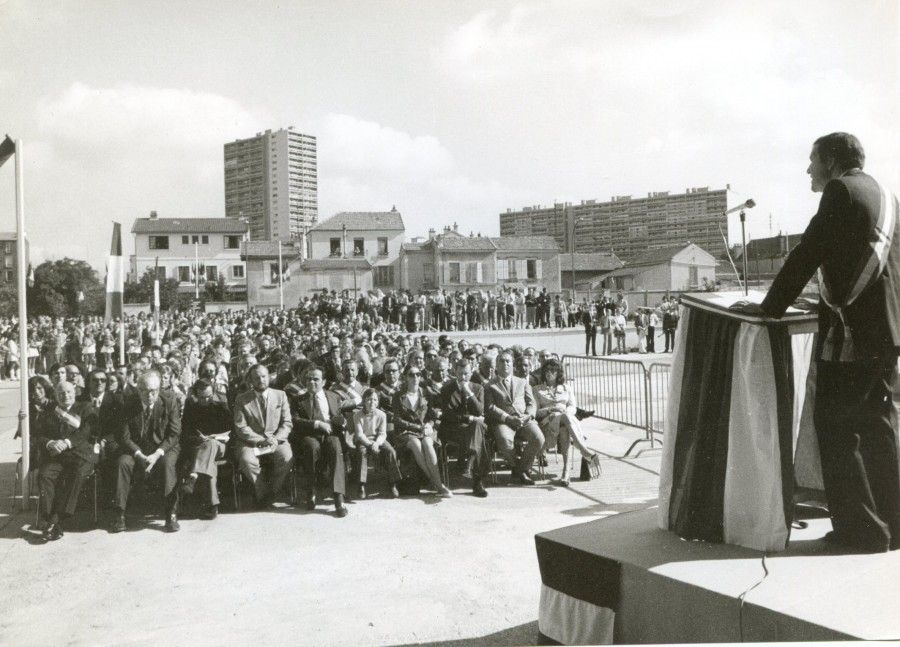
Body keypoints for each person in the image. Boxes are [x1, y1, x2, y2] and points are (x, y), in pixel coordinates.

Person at [735, 132, 899, 552]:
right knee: (879, 430)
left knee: (839, 432)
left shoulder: (841, 191)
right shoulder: (886, 195)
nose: (809, 169)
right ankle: (893, 526)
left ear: (831, 160)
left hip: (853, 337)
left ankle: (861, 532)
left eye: (813, 161)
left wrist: (771, 307)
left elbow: (808, 252)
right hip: (887, 335)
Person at [112, 370, 182, 533]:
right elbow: (124, 436)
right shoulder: (128, 403)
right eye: (143, 390)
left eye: (153, 391)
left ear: (159, 389)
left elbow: (174, 433)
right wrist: (139, 454)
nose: (148, 395)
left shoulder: (169, 400)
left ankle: (171, 514)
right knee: (123, 463)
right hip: (137, 449)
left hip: (164, 447)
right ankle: (120, 514)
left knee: (167, 464)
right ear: (137, 389)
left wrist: (157, 454)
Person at [35, 381, 97, 540]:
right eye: (61, 393)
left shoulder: (85, 407)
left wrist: (66, 443)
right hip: (57, 456)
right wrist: (50, 443)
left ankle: (53, 520)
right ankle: (50, 520)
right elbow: (39, 435)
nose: (65, 396)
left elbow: (86, 432)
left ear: (75, 392)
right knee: (44, 475)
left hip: (80, 455)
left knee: (75, 475)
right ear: (55, 395)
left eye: (69, 392)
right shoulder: (49, 411)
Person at [290, 367, 350, 517]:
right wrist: (317, 424)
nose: (311, 382)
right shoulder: (299, 399)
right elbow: (295, 421)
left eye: (316, 379)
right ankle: (311, 492)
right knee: (311, 446)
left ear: (323, 382)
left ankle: (338, 498)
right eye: (309, 379)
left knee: (335, 445)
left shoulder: (333, 396)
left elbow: (340, 417)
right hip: (310, 435)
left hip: (330, 434)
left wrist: (342, 422)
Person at [232, 365, 294, 509]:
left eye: (264, 376)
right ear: (250, 381)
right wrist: (260, 440)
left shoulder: (281, 395)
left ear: (269, 377)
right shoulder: (242, 399)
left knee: (286, 457)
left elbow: (287, 422)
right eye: (257, 377)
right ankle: (262, 493)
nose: (261, 380)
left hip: (275, 439)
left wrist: (276, 439)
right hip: (251, 441)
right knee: (247, 460)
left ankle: (273, 491)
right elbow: (241, 427)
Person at [533, 359, 601, 486]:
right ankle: (584, 450)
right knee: (565, 419)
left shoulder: (567, 388)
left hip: (565, 422)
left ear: (558, 373)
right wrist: (550, 409)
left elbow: (573, 407)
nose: (549, 373)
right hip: (548, 424)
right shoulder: (537, 390)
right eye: (547, 370)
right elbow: (536, 412)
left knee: (565, 427)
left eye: (553, 370)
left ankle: (565, 474)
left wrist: (564, 411)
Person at [392, 364, 452, 497]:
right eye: (411, 375)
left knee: (427, 443)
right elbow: (397, 420)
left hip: (424, 430)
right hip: (406, 432)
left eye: (418, 374)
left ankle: (436, 484)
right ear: (405, 377)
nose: (415, 377)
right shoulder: (398, 395)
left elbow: (432, 415)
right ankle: (438, 485)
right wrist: (419, 427)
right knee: (416, 444)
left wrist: (429, 425)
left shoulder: (426, 393)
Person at [485, 351, 544, 485]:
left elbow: (531, 402)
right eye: (502, 361)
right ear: (496, 365)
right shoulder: (489, 385)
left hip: (524, 419)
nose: (505, 364)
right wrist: (507, 418)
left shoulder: (522, 381)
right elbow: (490, 407)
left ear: (512, 364)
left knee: (538, 439)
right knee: (505, 441)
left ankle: (519, 469)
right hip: (504, 421)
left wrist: (528, 415)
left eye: (508, 361)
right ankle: (521, 471)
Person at [180, 379, 232, 520]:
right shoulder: (191, 407)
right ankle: (212, 505)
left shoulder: (221, 405)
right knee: (210, 464)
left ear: (213, 393)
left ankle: (193, 476)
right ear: (195, 395)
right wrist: (198, 438)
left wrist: (215, 437)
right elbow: (185, 431)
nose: (206, 399)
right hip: (198, 446)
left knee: (210, 445)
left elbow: (231, 430)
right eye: (202, 397)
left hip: (219, 445)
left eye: (209, 396)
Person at [438, 358, 489, 497]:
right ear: (455, 371)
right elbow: (448, 415)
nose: (463, 377)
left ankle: (469, 464)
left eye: (466, 373)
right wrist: (469, 418)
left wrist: (469, 393)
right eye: (460, 373)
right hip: (454, 429)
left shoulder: (478, 388)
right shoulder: (447, 389)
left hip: (472, 429)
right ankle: (477, 482)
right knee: (478, 432)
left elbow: (480, 411)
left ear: (471, 372)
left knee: (478, 426)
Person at [350, 388, 401, 499]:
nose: (372, 402)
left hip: (378, 440)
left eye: (374, 400)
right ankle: (361, 485)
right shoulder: (357, 415)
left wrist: (377, 444)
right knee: (362, 453)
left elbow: (383, 434)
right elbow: (359, 434)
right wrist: (369, 444)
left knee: (391, 451)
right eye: (369, 399)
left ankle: (393, 484)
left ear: (377, 402)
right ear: (364, 401)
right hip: (364, 440)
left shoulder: (382, 415)